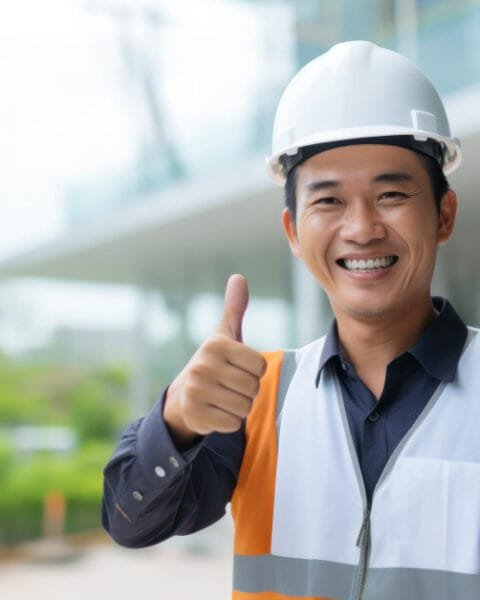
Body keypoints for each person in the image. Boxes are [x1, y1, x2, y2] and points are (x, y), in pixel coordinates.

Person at [102, 41, 480, 599]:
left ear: (444, 215)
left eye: (392, 194)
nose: (361, 228)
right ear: (293, 233)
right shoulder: (258, 398)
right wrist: (176, 419)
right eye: (328, 201)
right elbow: (132, 523)